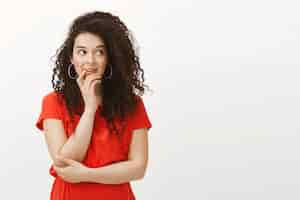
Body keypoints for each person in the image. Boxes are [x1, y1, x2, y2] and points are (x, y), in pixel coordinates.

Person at [35, 11, 152, 200]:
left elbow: (138, 168)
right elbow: (65, 161)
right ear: (71, 58)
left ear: (110, 58)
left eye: (99, 52)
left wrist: (86, 175)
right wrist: (90, 109)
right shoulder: (53, 102)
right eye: (82, 52)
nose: (90, 61)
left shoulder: (132, 104)